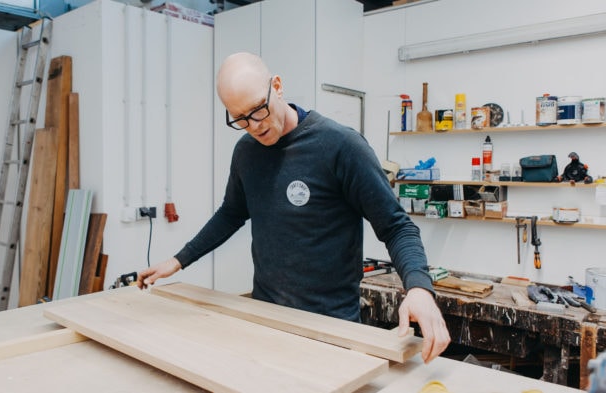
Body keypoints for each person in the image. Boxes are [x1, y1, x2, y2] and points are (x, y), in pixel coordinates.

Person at [138, 52, 450, 363]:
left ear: (277, 86)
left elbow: (397, 226)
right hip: (267, 318)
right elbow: (232, 212)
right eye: (240, 118)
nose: (254, 126)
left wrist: (419, 288)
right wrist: (179, 260)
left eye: (258, 110)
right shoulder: (247, 151)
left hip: (332, 328)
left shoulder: (340, 146)